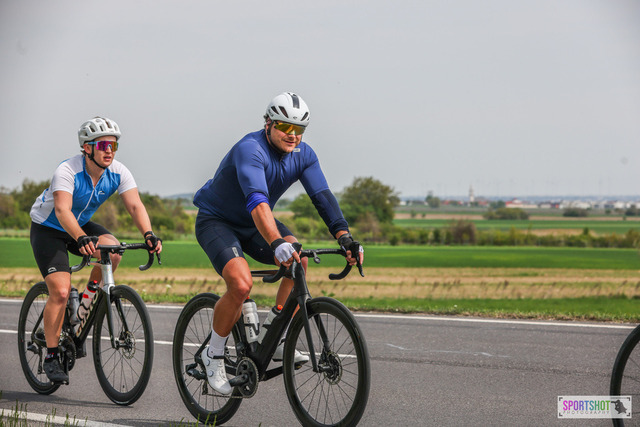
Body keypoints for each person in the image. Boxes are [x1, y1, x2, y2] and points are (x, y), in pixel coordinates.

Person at [193, 92, 364, 394]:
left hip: (256, 222)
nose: (292, 135)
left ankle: (276, 336)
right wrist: (275, 242)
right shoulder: (250, 149)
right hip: (218, 221)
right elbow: (257, 202)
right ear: (269, 123)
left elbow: (322, 197)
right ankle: (213, 354)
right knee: (241, 285)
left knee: (300, 260)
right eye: (285, 127)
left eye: (299, 129)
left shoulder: (304, 155)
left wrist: (345, 237)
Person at [29, 116, 162, 383]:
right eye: (103, 145)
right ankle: (51, 356)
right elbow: (62, 211)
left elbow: (135, 205)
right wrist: (80, 238)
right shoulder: (67, 170)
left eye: (114, 145)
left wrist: (148, 234)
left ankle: (85, 302)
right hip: (49, 227)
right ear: (87, 148)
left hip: (78, 224)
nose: (109, 150)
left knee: (113, 249)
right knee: (61, 291)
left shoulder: (119, 172)